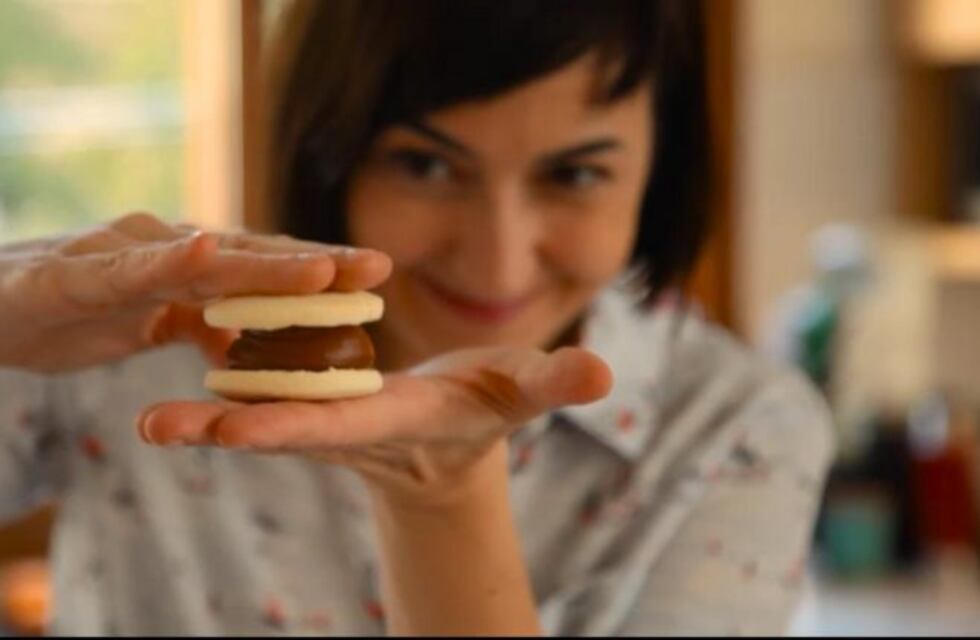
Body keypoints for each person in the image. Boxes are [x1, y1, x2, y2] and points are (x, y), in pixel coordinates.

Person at [0, 0, 834, 635]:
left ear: (660, 167)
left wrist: (442, 500)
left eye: (575, 176)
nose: (497, 261)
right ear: (330, 148)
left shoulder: (741, 429)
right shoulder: (134, 336)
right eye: (426, 165)